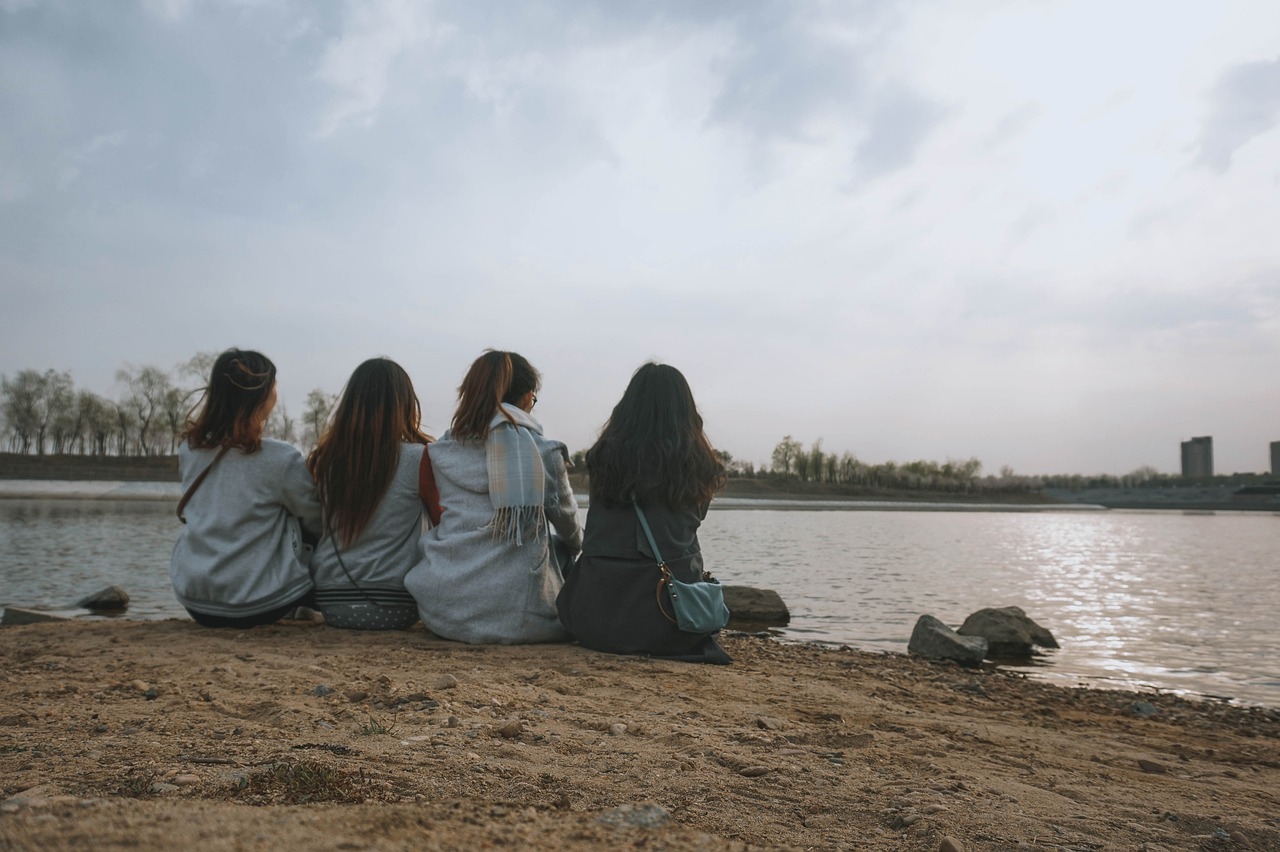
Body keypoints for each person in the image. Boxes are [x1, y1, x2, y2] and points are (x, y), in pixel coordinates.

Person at [556, 362, 730, 663]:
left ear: (627, 408)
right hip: (669, 621)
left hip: (593, 621)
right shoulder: (698, 466)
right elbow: (691, 526)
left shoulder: (603, 459)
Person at [404, 350, 582, 644]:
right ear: (527, 398)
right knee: (561, 548)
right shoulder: (545, 454)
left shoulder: (441, 452)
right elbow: (573, 534)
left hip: (443, 612)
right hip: (520, 621)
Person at [170, 348, 323, 628]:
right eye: (274, 386)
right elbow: (317, 520)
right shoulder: (281, 458)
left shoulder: (189, 450)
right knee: (302, 524)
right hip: (257, 605)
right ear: (263, 396)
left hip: (196, 602)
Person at [306, 358, 433, 630]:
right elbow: (444, 523)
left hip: (331, 601)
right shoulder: (418, 459)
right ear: (405, 404)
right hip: (395, 606)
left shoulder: (326, 459)